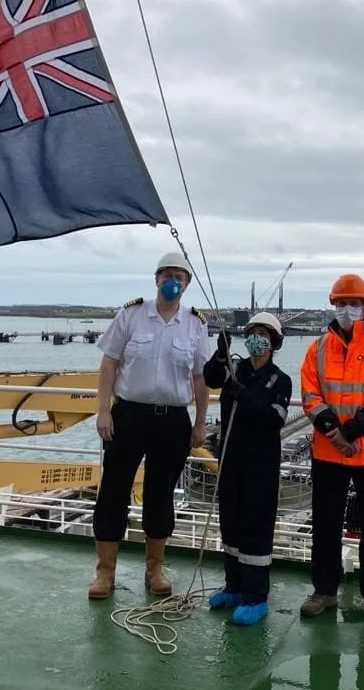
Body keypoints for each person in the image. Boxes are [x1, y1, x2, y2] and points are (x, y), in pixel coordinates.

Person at [87, 251, 214, 600]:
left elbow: (201, 378)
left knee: (160, 495)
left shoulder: (195, 324)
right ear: (156, 279)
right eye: (167, 274)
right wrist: (103, 410)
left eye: (180, 276)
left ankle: (154, 568)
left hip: (172, 419)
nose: (173, 281)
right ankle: (104, 572)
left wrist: (201, 422)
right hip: (128, 414)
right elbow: (108, 365)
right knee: (113, 490)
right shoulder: (131, 314)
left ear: (187, 284)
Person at [298, 273, 364, 628]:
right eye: (342, 304)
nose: (347, 309)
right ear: (333, 306)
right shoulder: (317, 349)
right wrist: (335, 433)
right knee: (325, 525)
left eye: (353, 303)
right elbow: (310, 396)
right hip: (329, 452)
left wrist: (350, 432)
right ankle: (323, 591)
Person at [202, 312, 293, 625]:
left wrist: (246, 396)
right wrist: (219, 354)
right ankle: (234, 586)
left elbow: (274, 419)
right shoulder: (235, 369)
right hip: (230, 459)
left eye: (263, 333)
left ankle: (256, 595)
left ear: (273, 342)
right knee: (231, 522)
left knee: (255, 526)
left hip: (260, 465)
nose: (256, 338)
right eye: (252, 332)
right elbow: (211, 377)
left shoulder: (280, 380)